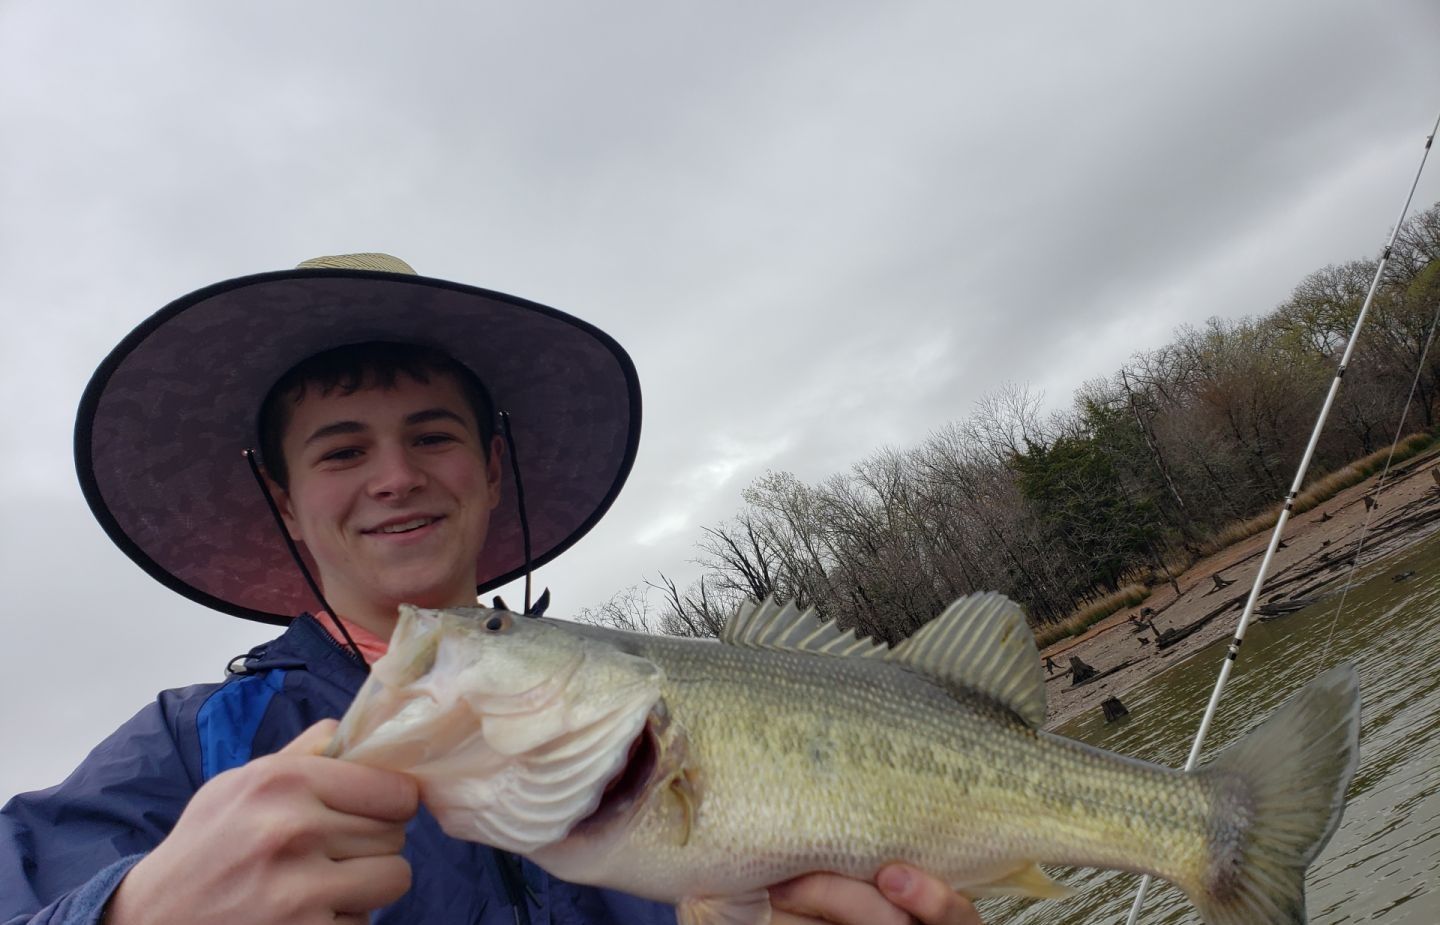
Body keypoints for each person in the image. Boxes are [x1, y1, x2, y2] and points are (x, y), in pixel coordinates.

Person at [0, 254, 980, 924]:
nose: (395, 476)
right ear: (285, 503)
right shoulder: (188, 750)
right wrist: (133, 910)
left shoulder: (644, 700)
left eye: (431, 435)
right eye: (343, 451)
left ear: (492, 465)